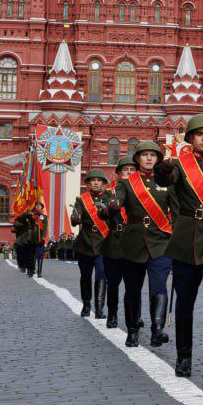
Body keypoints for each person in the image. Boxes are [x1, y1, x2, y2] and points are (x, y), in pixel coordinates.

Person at [155, 114, 203, 381]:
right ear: (189, 138)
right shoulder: (179, 164)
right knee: (184, 303)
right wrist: (162, 171)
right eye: (199, 134)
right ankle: (184, 357)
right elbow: (167, 180)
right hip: (186, 241)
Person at [109, 141, 175, 348]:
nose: (148, 158)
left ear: (158, 159)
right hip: (134, 242)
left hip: (161, 241)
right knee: (132, 290)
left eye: (153, 155)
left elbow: (178, 208)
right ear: (137, 159)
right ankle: (133, 330)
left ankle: (157, 329)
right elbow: (118, 200)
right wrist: (113, 206)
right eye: (144, 155)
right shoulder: (126, 183)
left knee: (159, 287)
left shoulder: (167, 182)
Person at [70, 169, 112, 318]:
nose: (95, 182)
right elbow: (75, 217)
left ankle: (99, 308)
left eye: (99, 180)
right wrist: (75, 217)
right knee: (85, 276)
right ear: (88, 183)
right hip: (85, 242)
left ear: (103, 183)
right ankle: (86, 304)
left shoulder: (110, 198)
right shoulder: (82, 200)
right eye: (92, 180)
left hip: (104, 242)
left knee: (102, 273)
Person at [100, 159, 135, 328]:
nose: (129, 172)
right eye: (125, 169)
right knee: (113, 284)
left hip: (134, 242)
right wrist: (108, 209)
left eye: (132, 169)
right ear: (119, 173)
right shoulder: (109, 193)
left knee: (134, 285)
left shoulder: (144, 192)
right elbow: (101, 213)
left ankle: (134, 316)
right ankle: (112, 315)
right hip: (114, 242)